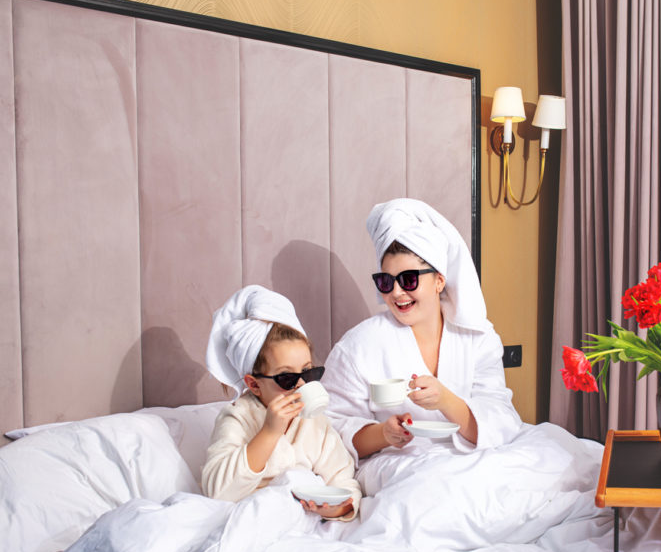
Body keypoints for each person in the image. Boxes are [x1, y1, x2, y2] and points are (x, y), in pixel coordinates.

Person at [321, 198, 524, 461]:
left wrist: (447, 401)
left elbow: (501, 422)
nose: (395, 292)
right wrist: (384, 433)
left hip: (477, 457)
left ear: (439, 280)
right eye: (385, 281)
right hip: (400, 463)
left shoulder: (478, 338)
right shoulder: (359, 346)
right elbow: (330, 432)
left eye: (408, 279)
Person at [201, 285, 361, 521]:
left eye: (307, 373)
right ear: (254, 385)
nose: (300, 386)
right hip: (252, 518)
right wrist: (269, 432)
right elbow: (218, 491)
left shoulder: (314, 421)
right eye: (287, 378)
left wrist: (337, 508)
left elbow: (343, 478)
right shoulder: (237, 417)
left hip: (303, 522)